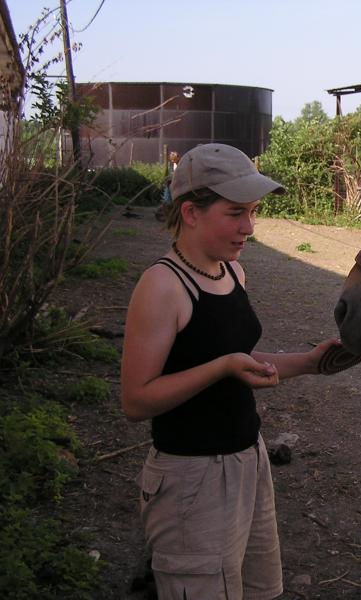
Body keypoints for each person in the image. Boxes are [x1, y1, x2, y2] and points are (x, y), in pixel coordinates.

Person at [121, 143, 339, 599]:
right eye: (235, 213)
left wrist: (311, 363)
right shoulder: (162, 285)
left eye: (254, 212)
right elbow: (136, 401)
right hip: (190, 479)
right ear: (191, 213)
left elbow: (243, 362)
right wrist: (221, 367)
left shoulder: (232, 274)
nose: (249, 228)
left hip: (248, 459)